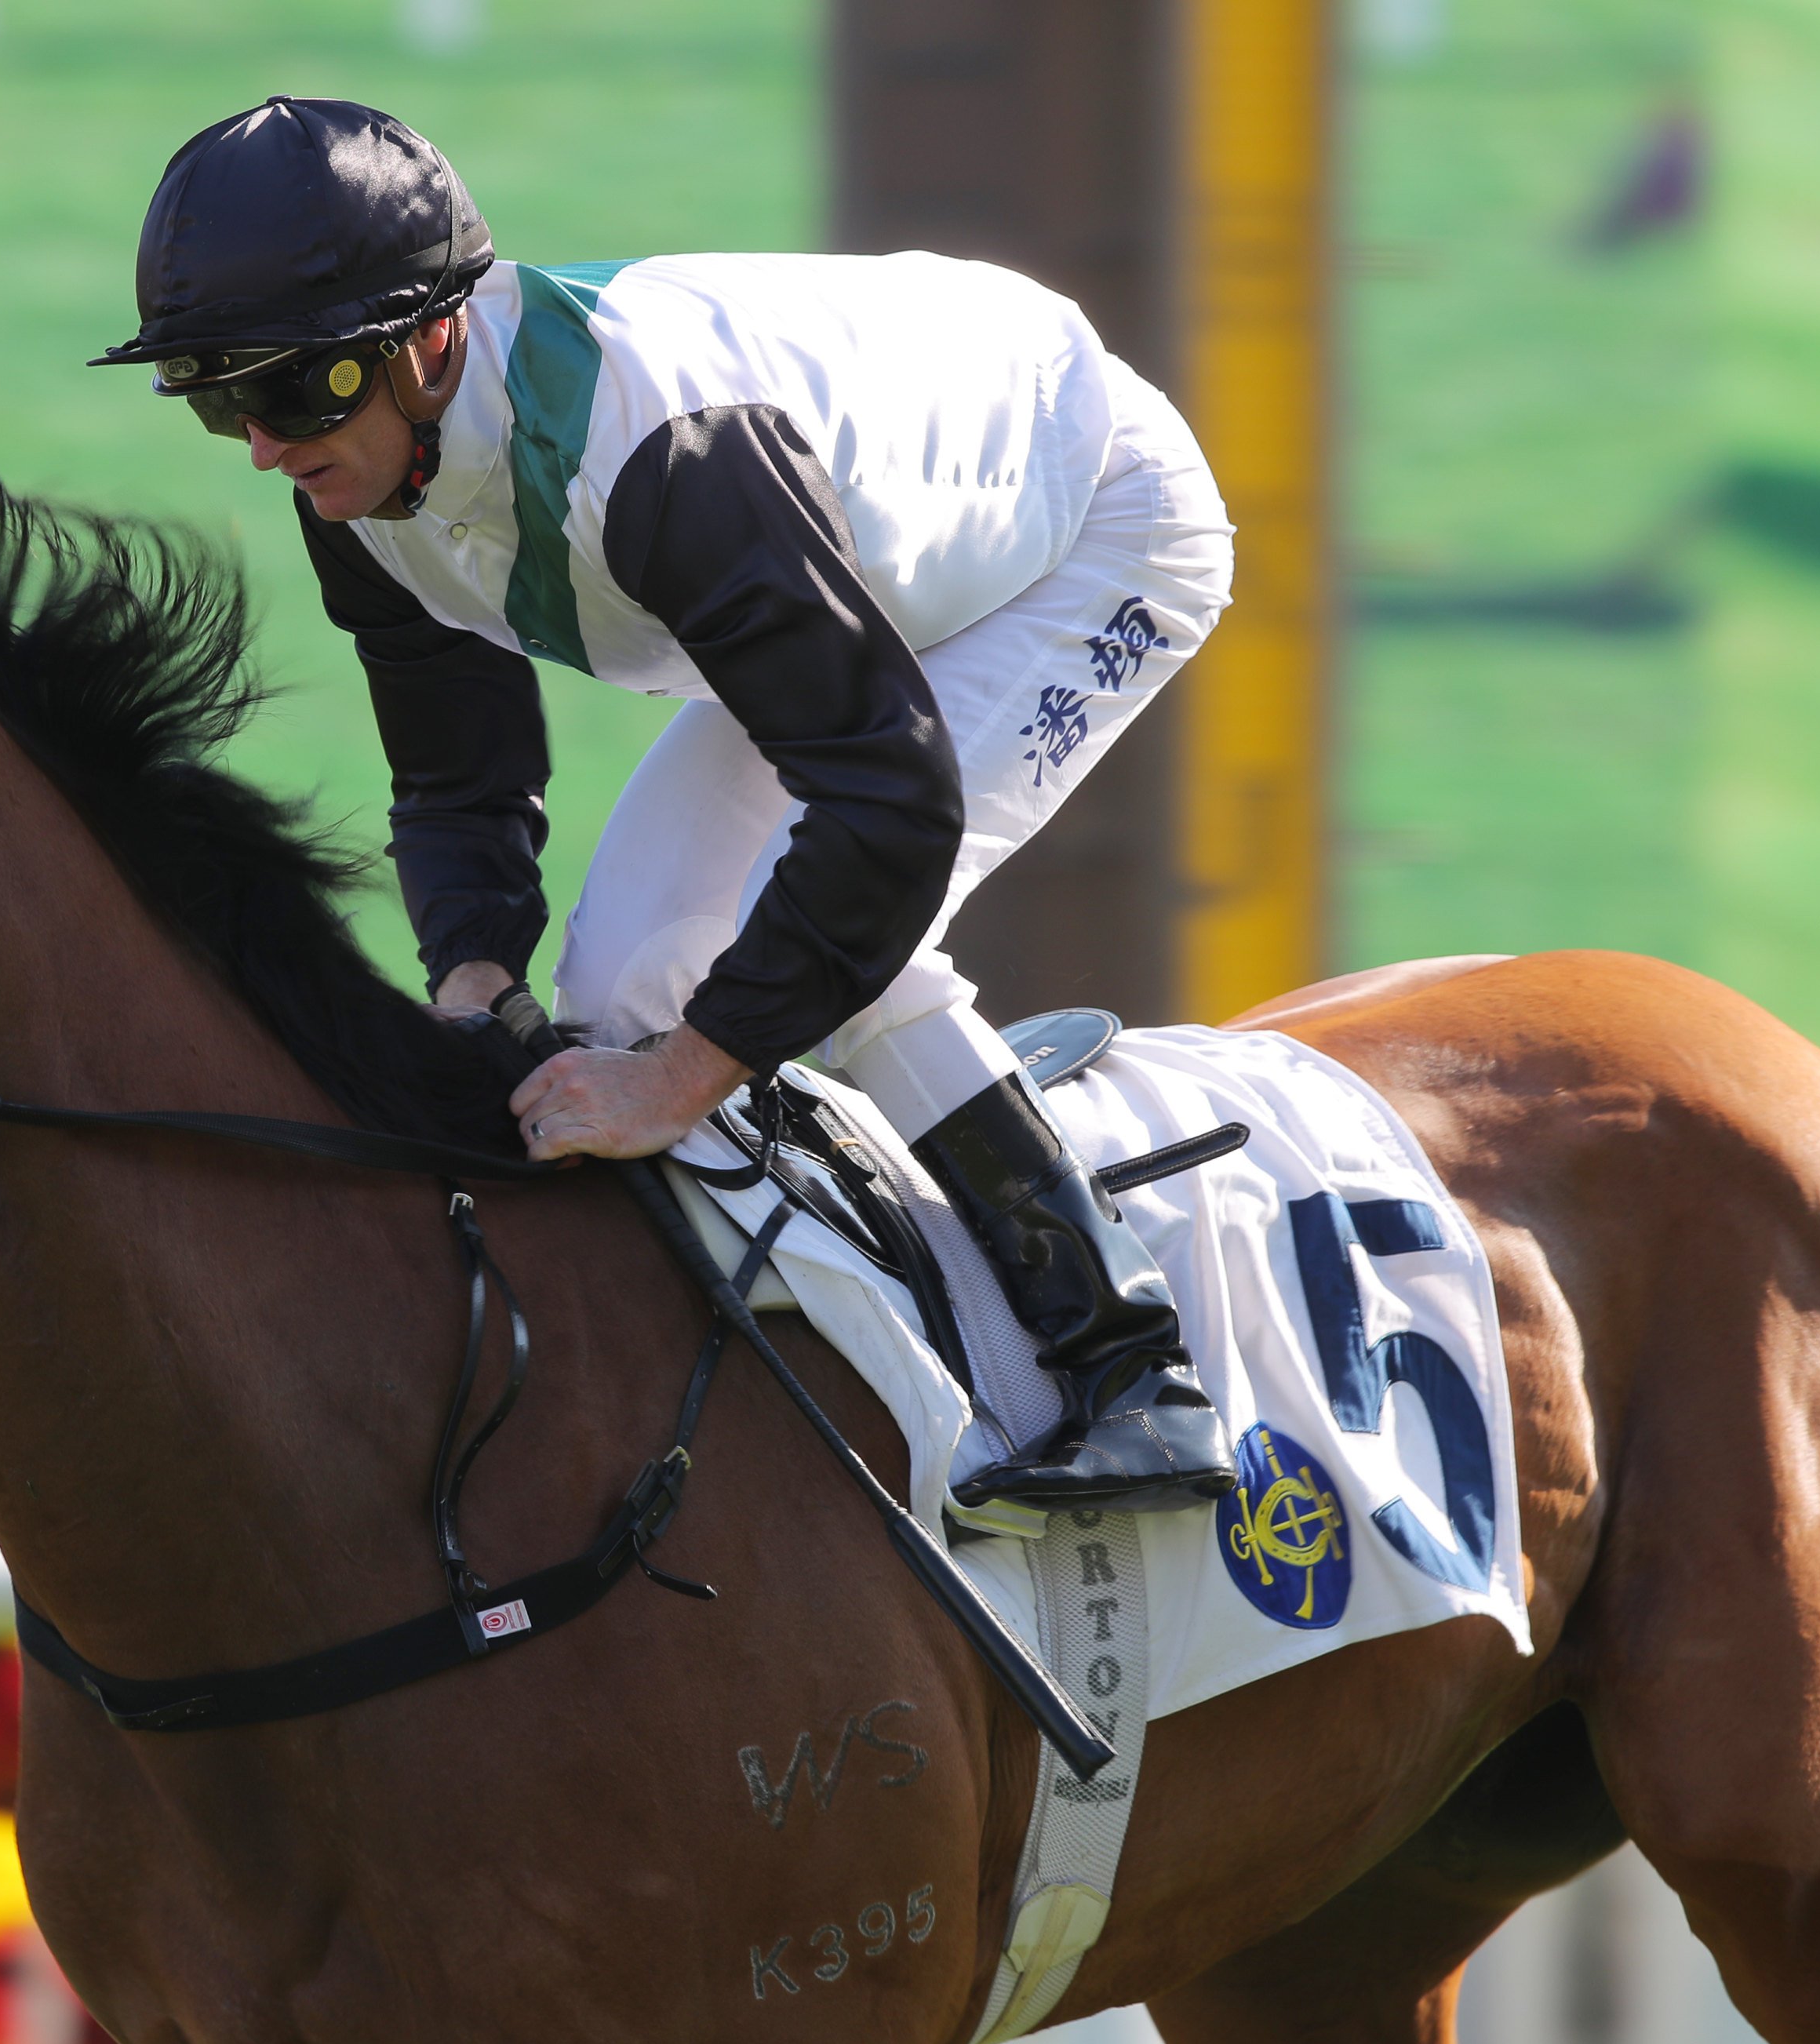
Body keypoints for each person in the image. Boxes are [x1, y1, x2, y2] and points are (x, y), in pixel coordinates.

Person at [95, 97, 1237, 1511]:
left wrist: (688, 1075)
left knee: (798, 962)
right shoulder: (361, 485)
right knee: (627, 986)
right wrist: (470, 976)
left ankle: (1136, 1370)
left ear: (428, 340)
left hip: (1089, 523)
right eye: (221, 405)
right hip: (873, 551)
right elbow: (459, 774)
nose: (263, 448)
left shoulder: (667, 461)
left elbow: (886, 812)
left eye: (286, 395)